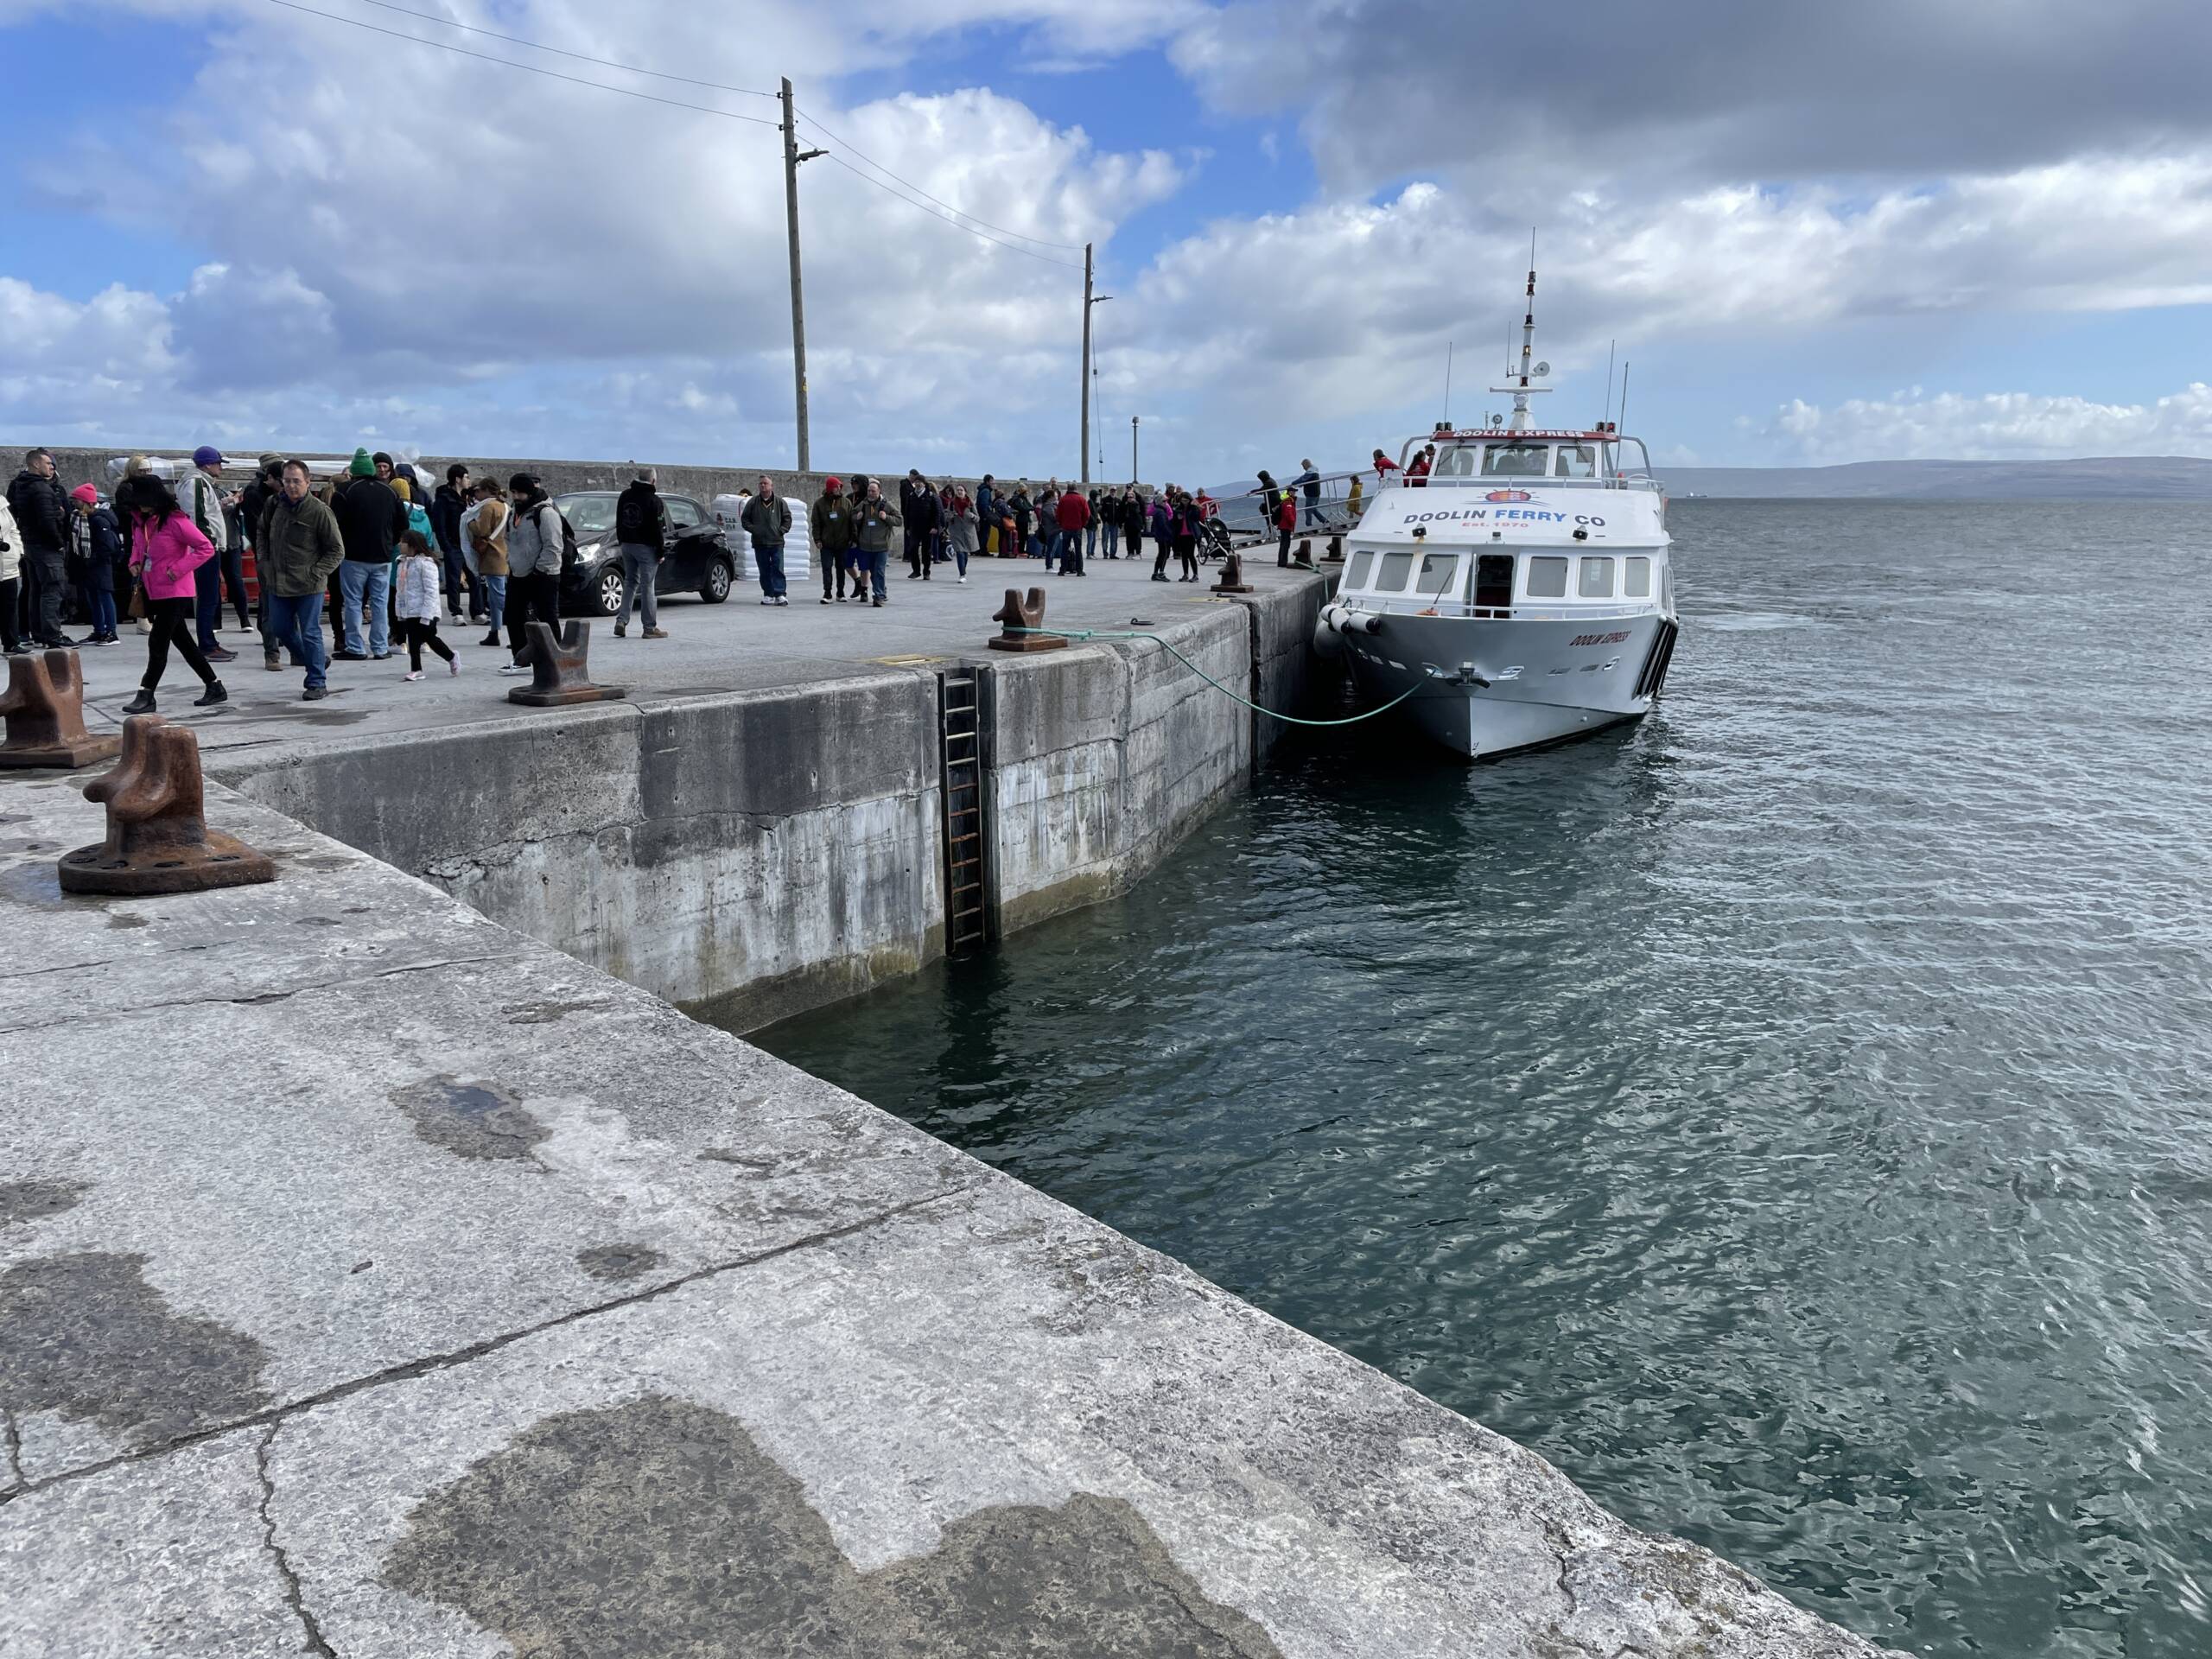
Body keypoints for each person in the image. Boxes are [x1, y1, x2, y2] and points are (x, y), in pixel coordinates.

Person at [115, 473, 225, 712]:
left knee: (158, 642)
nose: (141, 506)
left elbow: (205, 547)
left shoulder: (176, 522)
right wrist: (133, 561)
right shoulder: (141, 522)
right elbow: (138, 546)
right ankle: (214, 686)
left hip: (176, 591)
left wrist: (178, 570)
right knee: (184, 643)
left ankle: (146, 693)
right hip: (153, 589)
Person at [256, 459, 345, 700]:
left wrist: (316, 572)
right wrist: (263, 561)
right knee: (280, 628)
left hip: (309, 583)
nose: (292, 486)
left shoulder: (319, 511)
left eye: (297, 481)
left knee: (311, 632)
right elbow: (262, 531)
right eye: (287, 481)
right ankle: (313, 659)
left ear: (308, 482)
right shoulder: (274, 505)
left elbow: (336, 550)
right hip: (277, 581)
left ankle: (316, 682)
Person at [332, 447, 404, 659]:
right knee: (380, 602)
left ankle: (355, 647)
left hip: (353, 556)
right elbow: (403, 523)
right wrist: (390, 543)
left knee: (354, 602)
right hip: (383, 556)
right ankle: (380, 648)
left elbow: (335, 524)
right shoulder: (390, 491)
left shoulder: (344, 491)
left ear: (354, 470)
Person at [176, 448, 242, 664]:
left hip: (206, 547)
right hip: (206, 548)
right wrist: (209, 543)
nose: (220, 467)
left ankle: (210, 641)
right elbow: (197, 517)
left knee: (210, 596)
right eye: (218, 463)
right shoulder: (196, 483)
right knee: (208, 596)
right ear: (207, 465)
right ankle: (206, 644)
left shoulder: (198, 483)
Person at [7, 448, 76, 648]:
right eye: (48, 463)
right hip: (46, 547)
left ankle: (38, 632)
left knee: (36, 589)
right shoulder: (41, 489)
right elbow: (46, 521)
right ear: (36, 464)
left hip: (30, 544)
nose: (52, 467)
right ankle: (52, 635)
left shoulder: (20, 486)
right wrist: (59, 543)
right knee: (52, 590)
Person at [500, 474, 565, 672]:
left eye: (519, 492)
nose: (516, 496)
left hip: (543, 575)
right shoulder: (513, 513)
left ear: (529, 492)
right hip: (518, 573)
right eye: (513, 492)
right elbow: (509, 539)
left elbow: (554, 546)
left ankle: (557, 659)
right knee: (513, 616)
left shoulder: (545, 513)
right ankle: (520, 658)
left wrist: (538, 571)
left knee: (547, 617)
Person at [392, 529, 458, 681]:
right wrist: (400, 610)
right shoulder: (402, 562)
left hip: (425, 610)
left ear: (412, 546)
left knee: (430, 638)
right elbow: (401, 589)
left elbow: (431, 591)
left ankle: (451, 656)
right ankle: (416, 669)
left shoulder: (426, 564)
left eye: (403, 542)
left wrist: (427, 614)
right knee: (413, 640)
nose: (400, 544)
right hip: (410, 610)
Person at [613, 467, 670, 638]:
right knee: (648, 586)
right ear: (653, 481)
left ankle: (621, 621)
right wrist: (660, 552)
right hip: (646, 548)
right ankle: (649, 627)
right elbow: (658, 530)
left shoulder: (625, 496)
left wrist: (622, 539)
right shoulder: (654, 500)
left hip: (627, 545)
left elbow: (618, 520)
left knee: (630, 582)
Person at [69, 485, 123, 645]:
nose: (74, 503)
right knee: (93, 598)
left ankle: (111, 631)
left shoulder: (99, 520)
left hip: (99, 565)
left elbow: (107, 546)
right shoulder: (80, 518)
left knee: (104, 597)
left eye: (77, 500)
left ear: (86, 502)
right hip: (89, 565)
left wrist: (91, 560)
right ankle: (99, 630)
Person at [431, 462, 480, 622]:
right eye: (466, 477)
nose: (468, 480)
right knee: (453, 581)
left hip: (469, 545)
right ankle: (456, 612)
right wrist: (446, 545)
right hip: (453, 545)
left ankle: (478, 611)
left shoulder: (469, 498)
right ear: (458, 479)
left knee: (475, 578)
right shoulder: (444, 499)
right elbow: (439, 524)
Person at [467, 479, 511, 645]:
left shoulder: (488, 507)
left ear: (486, 491)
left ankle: (518, 629)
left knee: (498, 597)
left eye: (479, 490)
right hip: (505, 554)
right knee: (494, 597)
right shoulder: (505, 506)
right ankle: (494, 632)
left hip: (493, 556)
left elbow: (482, 530)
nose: (477, 494)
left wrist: (469, 522)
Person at [741, 474, 793, 605]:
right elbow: (745, 519)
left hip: (776, 542)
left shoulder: (780, 502)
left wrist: (781, 531)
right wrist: (754, 530)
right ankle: (768, 594)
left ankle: (780, 594)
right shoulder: (753, 502)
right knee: (764, 570)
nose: (763, 485)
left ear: (771, 486)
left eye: (765, 483)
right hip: (760, 543)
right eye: (761, 484)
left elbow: (787, 518)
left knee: (778, 568)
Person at [851, 479, 899, 608]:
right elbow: (852, 515)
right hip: (866, 545)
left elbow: (899, 520)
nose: (871, 493)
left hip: (882, 545)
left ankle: (877, 596)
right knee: (872, 571)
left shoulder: (886, 504)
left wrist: (887, 517)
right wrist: (857, 517)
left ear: (879, 491)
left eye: (873, 491)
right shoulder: (864, 504)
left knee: (879, 571)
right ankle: (882, 591)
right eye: (869, 491)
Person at [812, 475, 856, 603]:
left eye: (839, 486)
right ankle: (827, 593)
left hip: (843, 542)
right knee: (827, 567)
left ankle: (840, 592)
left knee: (841, 567)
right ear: (830, 488)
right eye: (836, 486)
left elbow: (851, 522)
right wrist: (817, 539)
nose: (839, 489)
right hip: (826, 543)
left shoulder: (846, 503)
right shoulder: (819, 504)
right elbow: (816, 523)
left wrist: (853, 538)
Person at [899, 470, 938, 581]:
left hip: (927, 528)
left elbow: (936, 512)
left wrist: (935, 526)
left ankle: (926, 571)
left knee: (926, 551)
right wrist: (907, 527)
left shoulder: (931, 496)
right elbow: (907, 513)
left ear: (924, 484)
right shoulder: (911, 496)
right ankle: (916, 571)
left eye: (920, 482)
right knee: (913, 548)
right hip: (914, 528)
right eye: (916, 482)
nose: (918, 484)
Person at [944, 485, 977, 584]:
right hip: (956, 531)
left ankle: (964, 571)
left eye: (961, 490)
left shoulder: (970, 503)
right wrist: (951, 516)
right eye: (958, 490)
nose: (959, 492)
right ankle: (962, 574)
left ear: (965, 492)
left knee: (965, 553)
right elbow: (946, 516)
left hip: (968, 531)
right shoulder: (952, 503)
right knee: (959, 552)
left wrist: (973, 516)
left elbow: (978, 518)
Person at [0, 493, 20, 653]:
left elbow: (13, 529)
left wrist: (18, 551)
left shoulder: (2, 503)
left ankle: (11, 643)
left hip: (8, 563)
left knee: (9, 606)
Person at [1054, 483, 1089, 575]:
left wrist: (1062, 524)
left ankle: (1063, 570)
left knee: (1064, 549)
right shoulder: (1081, 499)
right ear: (1076, 489)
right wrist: (1082, 524)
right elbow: (1087, 514)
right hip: (1077, 527)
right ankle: (1079, 571)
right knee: (1078, 550)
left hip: (1066, 527)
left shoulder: (1063, 500)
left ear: (1068, 489)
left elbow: (1058, 515)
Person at [1274, 487, 1299, 567]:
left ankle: (1281, 562)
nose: (1294, 493)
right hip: (1286, 526)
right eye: (1293, 491)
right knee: (1285, 545)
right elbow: (1288, 514)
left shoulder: (1289, 501)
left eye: (1295, 492)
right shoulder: (1288, 502)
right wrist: (1292, 523)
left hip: (1284, 526)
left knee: (1283, 544)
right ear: (1289, 492)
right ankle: (1283, 562)